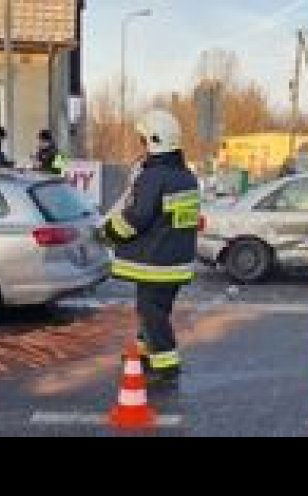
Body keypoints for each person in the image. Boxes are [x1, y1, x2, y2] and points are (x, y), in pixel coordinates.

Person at [97, 109, 200, 389]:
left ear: (154, 142)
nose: (140, 146)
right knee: (157, 309)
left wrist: (109, 232)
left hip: (157, 263)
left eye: (142, 140)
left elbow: (138, 218)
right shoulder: (187, 177)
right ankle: (145, 349)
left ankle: (166, 365)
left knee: (151, 311)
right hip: (178, 260)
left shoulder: (154, 177)